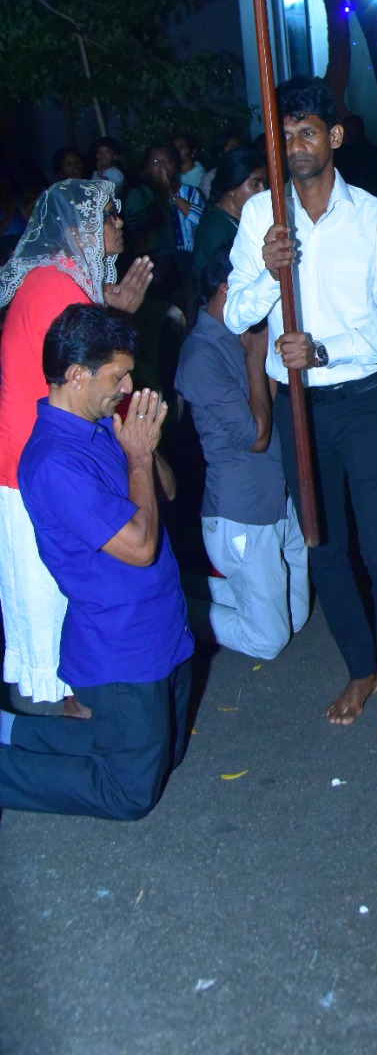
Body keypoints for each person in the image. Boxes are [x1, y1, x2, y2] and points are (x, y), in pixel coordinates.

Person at [224, 76, 377, 736]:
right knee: (322, 546)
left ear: (333, 137)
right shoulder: (260, 217)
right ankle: (359, 667)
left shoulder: (376, 218)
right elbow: (239, 316)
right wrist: (265, 267)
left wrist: (326, 349)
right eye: (282, 133)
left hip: (364, 402)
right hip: (298, 409)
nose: (294, 143)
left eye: (306, 130)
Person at [0, 305, 192, 821]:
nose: (128, 385)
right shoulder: (52, 460)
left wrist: (143, 447)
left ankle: (13, 729)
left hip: (162, 626)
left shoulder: (98, 424)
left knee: (165, 756)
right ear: (77, 376)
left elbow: (167, 493)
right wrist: (137, 459)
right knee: (129, 793)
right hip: (122, 646)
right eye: (118, 375)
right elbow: (140, 547)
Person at [0, 183, 152, 706]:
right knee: (53, 594)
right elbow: (95, 380)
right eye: (107, 215)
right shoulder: (57, 288)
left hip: (47, 460)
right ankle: (54, 738)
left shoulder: (67, 282)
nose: (119, 223)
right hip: (36, 468)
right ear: (75, 229)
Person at [175, 254, 308, 660]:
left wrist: (266, 352)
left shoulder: (245, 333)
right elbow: (255, 437)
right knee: (268, 640)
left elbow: (271, 402)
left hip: (279, 499)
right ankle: (174, 613)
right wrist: (255, 356)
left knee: (296, 617)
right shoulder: (201, 355)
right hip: (241, 514)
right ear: (226, 291)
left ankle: (188, 585)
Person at [124, 142, 205, 303]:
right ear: (147, 167)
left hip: (187, 264)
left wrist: (171, 193)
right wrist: (160, 196)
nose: (161, 167)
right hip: (154, 269)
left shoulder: (191, 192)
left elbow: (200, 221)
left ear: (175, 164)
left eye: (166, 161)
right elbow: (136, 226)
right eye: (155, 162)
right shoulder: (139, 194)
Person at [191, 146, 268, 282]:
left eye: (264, 183)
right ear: (232, 187)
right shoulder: (214, 229)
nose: (263, 190)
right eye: (255, 183)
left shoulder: (245, 218)